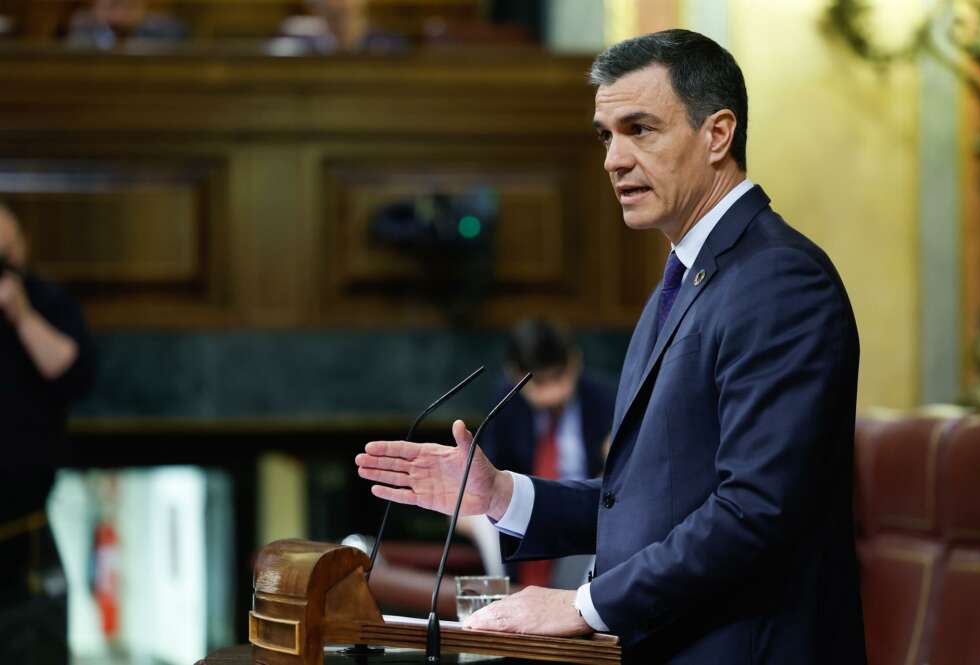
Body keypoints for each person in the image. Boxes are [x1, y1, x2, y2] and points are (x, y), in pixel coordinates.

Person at [356, 29, 867, 664]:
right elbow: (651, 501)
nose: (613, 159)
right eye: (606, 135)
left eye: (640, 129)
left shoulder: (778, 280)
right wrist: (500, 495)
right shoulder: (684, 282)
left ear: (718, 134)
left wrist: (580, 605)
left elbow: (757, 510)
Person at [0, 204, 96, 663]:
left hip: (26, 529)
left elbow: (73, 374)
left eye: (6, 247)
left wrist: (20, 316)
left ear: (21, 246)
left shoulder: (47, 301)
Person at [475, 318, 614, 588]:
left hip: (583, 514)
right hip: (521, 510)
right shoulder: (504, 403)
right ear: (515, 375)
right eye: (539, 383)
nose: (551, 393)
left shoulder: (606, 399)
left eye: (559, 378)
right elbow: (494, 471)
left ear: (575, 362)